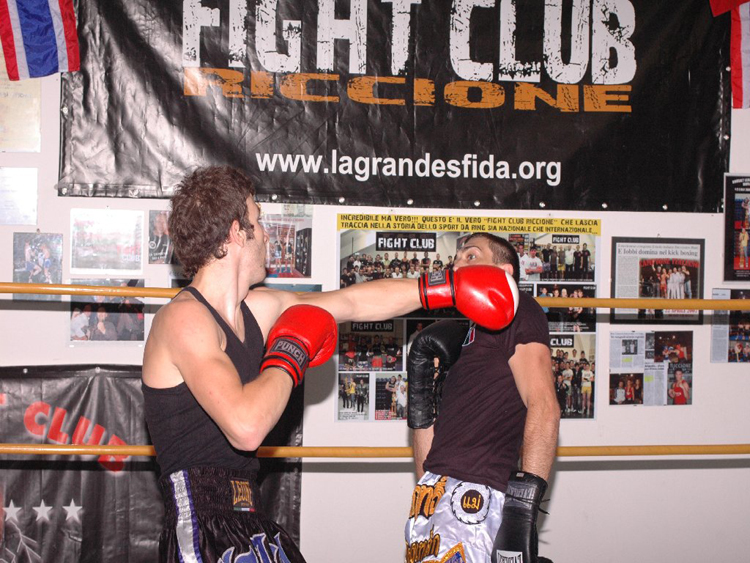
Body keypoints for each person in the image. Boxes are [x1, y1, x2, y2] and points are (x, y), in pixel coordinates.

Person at [141, 166, 518, 562]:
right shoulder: (185, 319)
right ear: (237, 232)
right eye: (258, 220)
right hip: (201, 528)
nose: (266, 234)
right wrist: (289, 351)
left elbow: (352, 302)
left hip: (248, 518)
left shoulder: (257, 308)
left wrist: (447, 288)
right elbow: (246, 428)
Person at [405, 232, 559, 563]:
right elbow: (435, 461)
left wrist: (521, 511)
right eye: (456, 259)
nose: (457, 265)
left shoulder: (518, 310)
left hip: (474, 495)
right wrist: (421, 394)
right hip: (435, 495)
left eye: (471, 256)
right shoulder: (469, 334)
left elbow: (544, 406)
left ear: (505, 272)